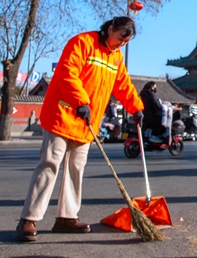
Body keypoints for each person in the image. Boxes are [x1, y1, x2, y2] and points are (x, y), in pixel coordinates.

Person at [17, 16, 145, 242]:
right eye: (120, 38)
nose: (121, 44)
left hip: (87, 122)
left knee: (76, 168)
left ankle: (67, 217)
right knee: (49, 164)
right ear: (111, 28)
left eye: (126, 42)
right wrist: (80, 102)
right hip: (64, 113)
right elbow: (68, 72)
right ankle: (29, 219)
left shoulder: (115, 57)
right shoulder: (82, 43)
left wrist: (136, 108)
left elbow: (122, 84)